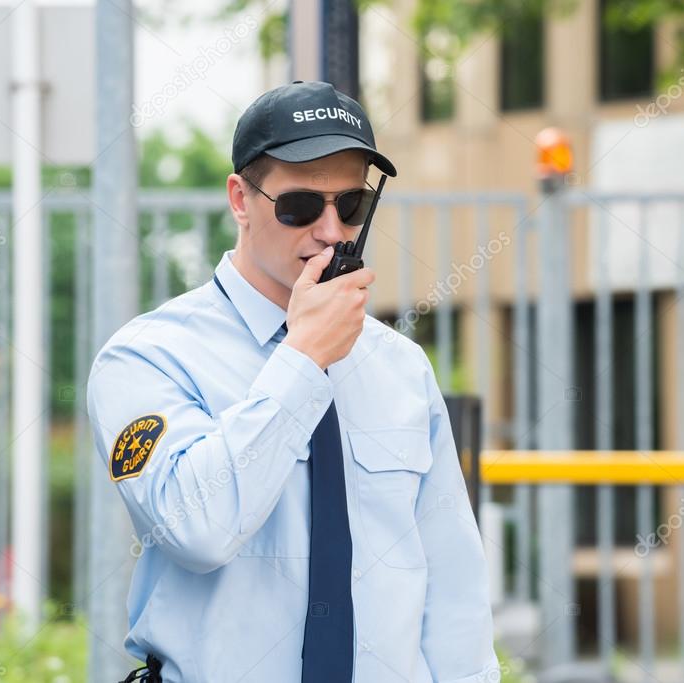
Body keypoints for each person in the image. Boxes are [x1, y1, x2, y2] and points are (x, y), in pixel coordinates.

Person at [88, 79, 498, 682]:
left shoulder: (401, 366)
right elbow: (196, 530)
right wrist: (302, 360)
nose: (331, 231)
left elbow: (452, 584)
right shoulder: (149, 356)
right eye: (301, 206)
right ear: (239, 199)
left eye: (351, 206)